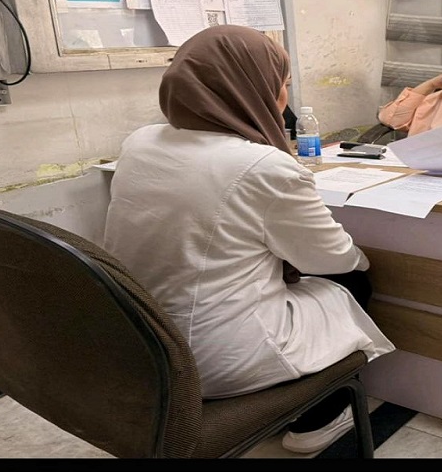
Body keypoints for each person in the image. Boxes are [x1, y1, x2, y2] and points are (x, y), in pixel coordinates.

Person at [102, 24, 395, 453]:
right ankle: (317, 419)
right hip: (214, 357)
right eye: (284, 86)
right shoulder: (262, 166)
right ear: (252, 89)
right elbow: (332, 258)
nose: (284, 100)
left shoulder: (140, 142)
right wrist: (361, 259)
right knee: (355, 282)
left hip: (141, 343)